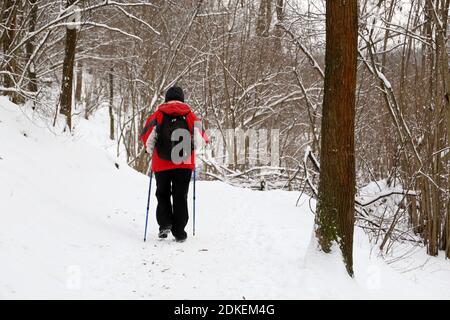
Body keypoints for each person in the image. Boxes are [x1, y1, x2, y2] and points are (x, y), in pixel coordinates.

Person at [140, 86, 207, 242]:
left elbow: (146, 138)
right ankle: (179, 232)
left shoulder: (158, 115)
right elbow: (202, 140)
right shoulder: (190, 116)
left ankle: (164, 225)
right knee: (180, 196)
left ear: (166, 98)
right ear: (182, 98)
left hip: (161, 163)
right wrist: (190, 148)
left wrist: (149, 150)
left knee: (162, 194)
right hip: (184, 164)